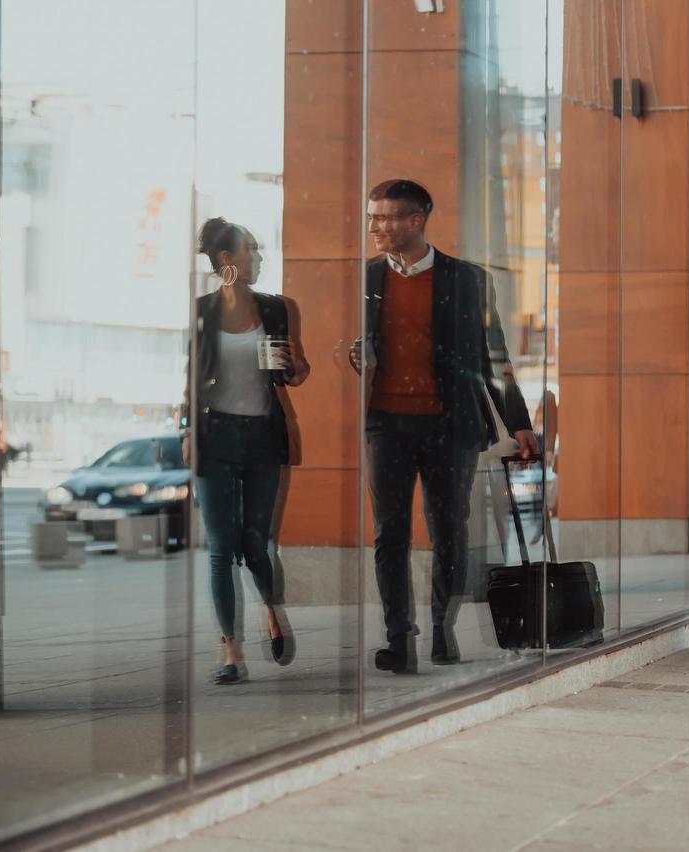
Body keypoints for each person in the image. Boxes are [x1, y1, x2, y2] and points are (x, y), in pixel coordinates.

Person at [350, 179, 538, 675]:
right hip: (386, 424)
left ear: (416, 221)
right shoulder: (366, 278)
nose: (375, 227)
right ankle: (399, 638)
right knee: (388, 533)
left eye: (385, 218)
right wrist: (354, 355)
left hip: (449, 426)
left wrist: (517, 423)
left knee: (448, 531)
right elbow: (363, 344)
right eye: (372, 218)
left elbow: (493, 357)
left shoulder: (467, 280)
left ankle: (441, 627)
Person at [184, 218, 309, 685]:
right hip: (214, 436)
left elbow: (294, 373)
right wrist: (185, 428)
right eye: (250, 251)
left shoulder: (276, 308)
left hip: (261, 436)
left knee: (256, 542)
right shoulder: (201, 310)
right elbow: (192, 377)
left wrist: (295, 365)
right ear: (226, 261)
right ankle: (230, 652)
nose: (258, 257)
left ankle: (271, 609)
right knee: (220, 548)